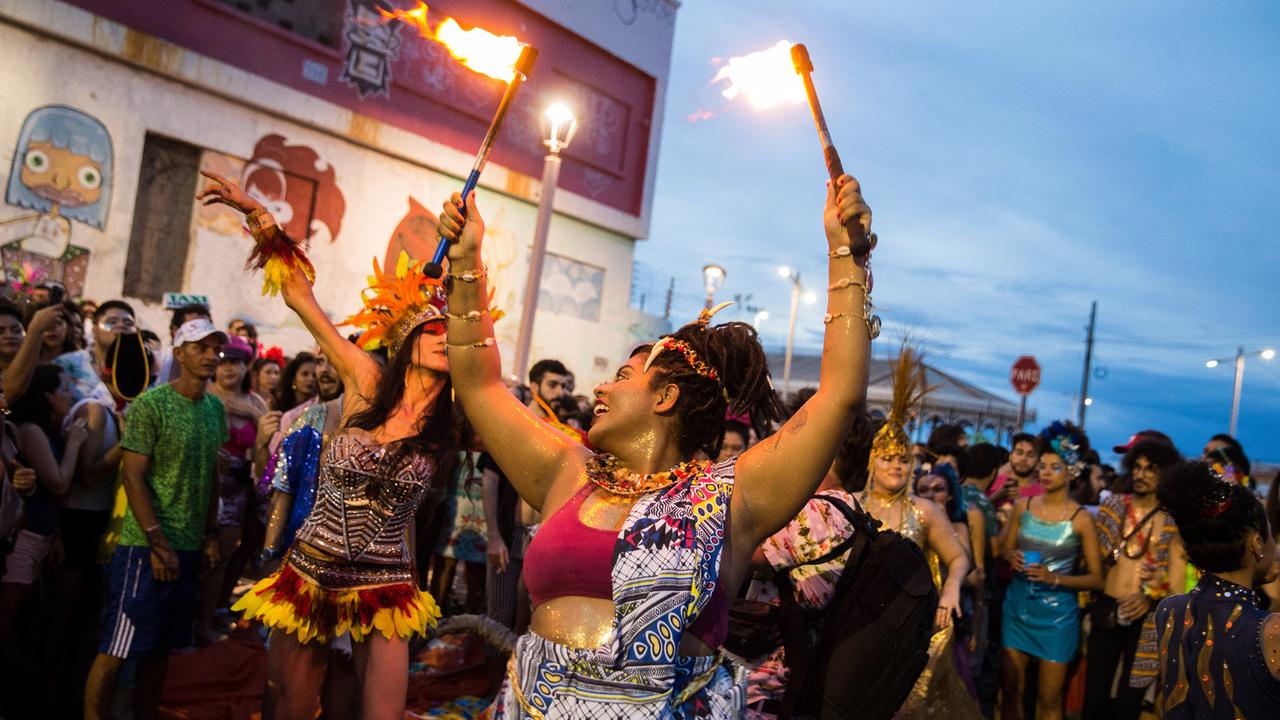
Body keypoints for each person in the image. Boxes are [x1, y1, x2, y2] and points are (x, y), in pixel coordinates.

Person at [436, 171, 874, 717]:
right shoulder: (568, 474)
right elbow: (477, 383)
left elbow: (838, 397)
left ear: (665, 397)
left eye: (622, 375)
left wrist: (845, 255)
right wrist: (465, 261)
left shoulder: (732, 497)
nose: (598, 386)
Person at [201, 170, 451, 720]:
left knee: (382, 713)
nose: (444, 339)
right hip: (311, 567)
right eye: (433, 329)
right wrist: (257, 215)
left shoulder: (458, 416)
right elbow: (299, 297)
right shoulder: (366, 383)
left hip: (387, 581)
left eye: (454, 332)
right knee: (288, 706)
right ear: (406, 339)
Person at [84, 319, 228, 720]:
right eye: (199, 347)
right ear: (179, 353)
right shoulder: (152, 404)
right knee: (117, 646)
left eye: (215, 348)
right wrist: (157, 544)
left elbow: (212, 475)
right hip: (143, 548)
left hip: (188, 546)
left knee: (161, 647)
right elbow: (133, 476)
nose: (210, 355)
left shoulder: (215, 409)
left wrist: (211, 534)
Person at [859, 352, 973, 719]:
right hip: (861, 626)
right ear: (872, 462)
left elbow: (958, 558)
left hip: (915, 629)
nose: (896, 465)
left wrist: (952, 589)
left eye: (903, 459)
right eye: (888, 457)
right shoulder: (853, 507)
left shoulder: (925, 510)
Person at [1129, 460, 1280, 716]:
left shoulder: (1170, 610)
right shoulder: (1271, 629)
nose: (1275, 546)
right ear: (1256, 544)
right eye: (1270, 535)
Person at [1000, 421, 1104, 720]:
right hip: (1017, 608)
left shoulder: (1081, 518)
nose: (1044, 472)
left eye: (1054, 467)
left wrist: (1054, 577)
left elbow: (1097, 579)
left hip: (1058, 618)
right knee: (1011, 691)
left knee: (1049, 699)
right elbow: (1004, 549)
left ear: (1071, 471)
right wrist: (1012, 557)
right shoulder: (1023, 506)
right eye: (1042, 466)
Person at [1082, 437, 1185, 720]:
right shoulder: (1113, 506)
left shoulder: (1172, 520)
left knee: (1130, 700)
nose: (1141, 474)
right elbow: (1091, 560)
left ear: (1165, 473)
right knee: (1094, 697)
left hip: (1147, 616)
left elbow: (1176, 583)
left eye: (1150, 469)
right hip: (1107, 607)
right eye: (1137, 467)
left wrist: (1151, 594)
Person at [0, 364, 89, 644]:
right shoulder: (30, 430)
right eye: (65, 388)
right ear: (48, 395)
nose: (72, 395)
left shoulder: (43, 429)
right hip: (22, 542)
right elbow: (58, 484)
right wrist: (75, 443)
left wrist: (56, 535)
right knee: (8, 622)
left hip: (40, 539)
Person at [196, 336, 267, 644]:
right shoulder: (203, 393)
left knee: (222, 559)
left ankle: (205, 622)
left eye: (235, 362)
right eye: (223, 362)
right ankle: (183, 622)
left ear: (245, 366)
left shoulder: (257, 403)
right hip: (202, 483)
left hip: (237, 488)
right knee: (193, 556)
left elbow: (266, 451)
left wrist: (252, 416)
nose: (228, 369)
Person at [54, 298, 136, 404]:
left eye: (128, 323)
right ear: (94, 330)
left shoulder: (141, 371)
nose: (121, 326)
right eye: (112, 322)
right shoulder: (67, 363)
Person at [990, 432, 1038, 507]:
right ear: (1010, 456)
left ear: (1038, 461)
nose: (1023, 458)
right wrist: (994, 497)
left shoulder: (1043, 493)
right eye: (1019, 453)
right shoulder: (992, 483)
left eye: (1030, 455)